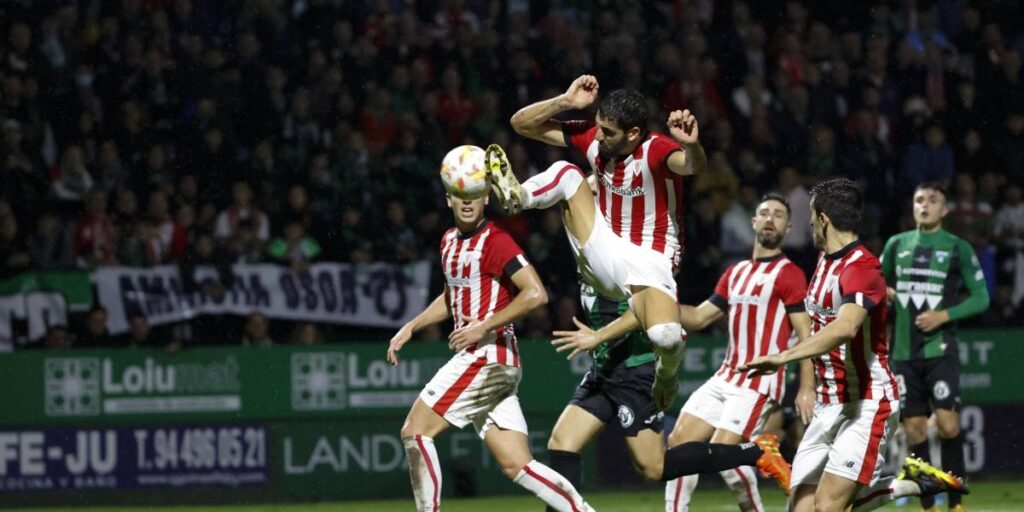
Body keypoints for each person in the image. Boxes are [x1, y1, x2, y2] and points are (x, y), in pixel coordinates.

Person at [555, 193, 812, 511]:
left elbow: (805, 334)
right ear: (754, 221)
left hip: (760, 381)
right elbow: (701, 317)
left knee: (726, 457)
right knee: (677, 444)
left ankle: (760, 465)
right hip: (726, 375)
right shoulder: (736, 272)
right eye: (765, 212)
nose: (771, 218)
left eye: (779, 215)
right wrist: (659, 304)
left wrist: (806, 386)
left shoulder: (789, 274)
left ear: (788, 228)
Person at [743, 178, 968, 512]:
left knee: (828, 507)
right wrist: (808, 384)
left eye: (811, 216)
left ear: (823, 219)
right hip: (828, 404)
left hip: (866, 403)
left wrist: (783, 357)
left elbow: (846, 327)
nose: (809, 224)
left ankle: (909, 485)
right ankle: (912, 482)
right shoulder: (825, 260)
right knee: (801, 509)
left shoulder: (862, 267)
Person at [386, 161, 595, 512]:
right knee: (517, 464)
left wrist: (484, 326)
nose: (467, 201)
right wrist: (412, 326)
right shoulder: (448, 241)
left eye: (475, 193)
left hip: (486, 357)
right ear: (448, 199)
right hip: (495, 363)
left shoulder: (496, 241)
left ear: (486, 198)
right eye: (460, 194)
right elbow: (452, 296)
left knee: (415, 432)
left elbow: (536, 294)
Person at [499, 74, 709, 410]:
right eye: (598, 126)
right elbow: (521, 124)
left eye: (608, 131)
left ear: (633, 133)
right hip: (605, 247)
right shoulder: (596, 140)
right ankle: (518, 197)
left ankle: (667, 373)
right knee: (568, 173)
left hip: (652, 260)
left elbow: (691, 165)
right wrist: (565, 101)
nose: (598, 135)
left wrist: (693, 145)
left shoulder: (657, 149)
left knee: (667, 337)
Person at [880, 181, 990, 512]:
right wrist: (884, 292)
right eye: (919, 200)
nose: (924, 205)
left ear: (944, 209)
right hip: (902, 353)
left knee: (948, 425)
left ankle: (955, 504)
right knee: (914, 431)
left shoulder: (957, 248)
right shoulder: (896, 245)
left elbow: (981, 298)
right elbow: (876, 284)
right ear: (913, 207)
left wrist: (944, 315)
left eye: (932, 200)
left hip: (940, 349)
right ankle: (929, 507)